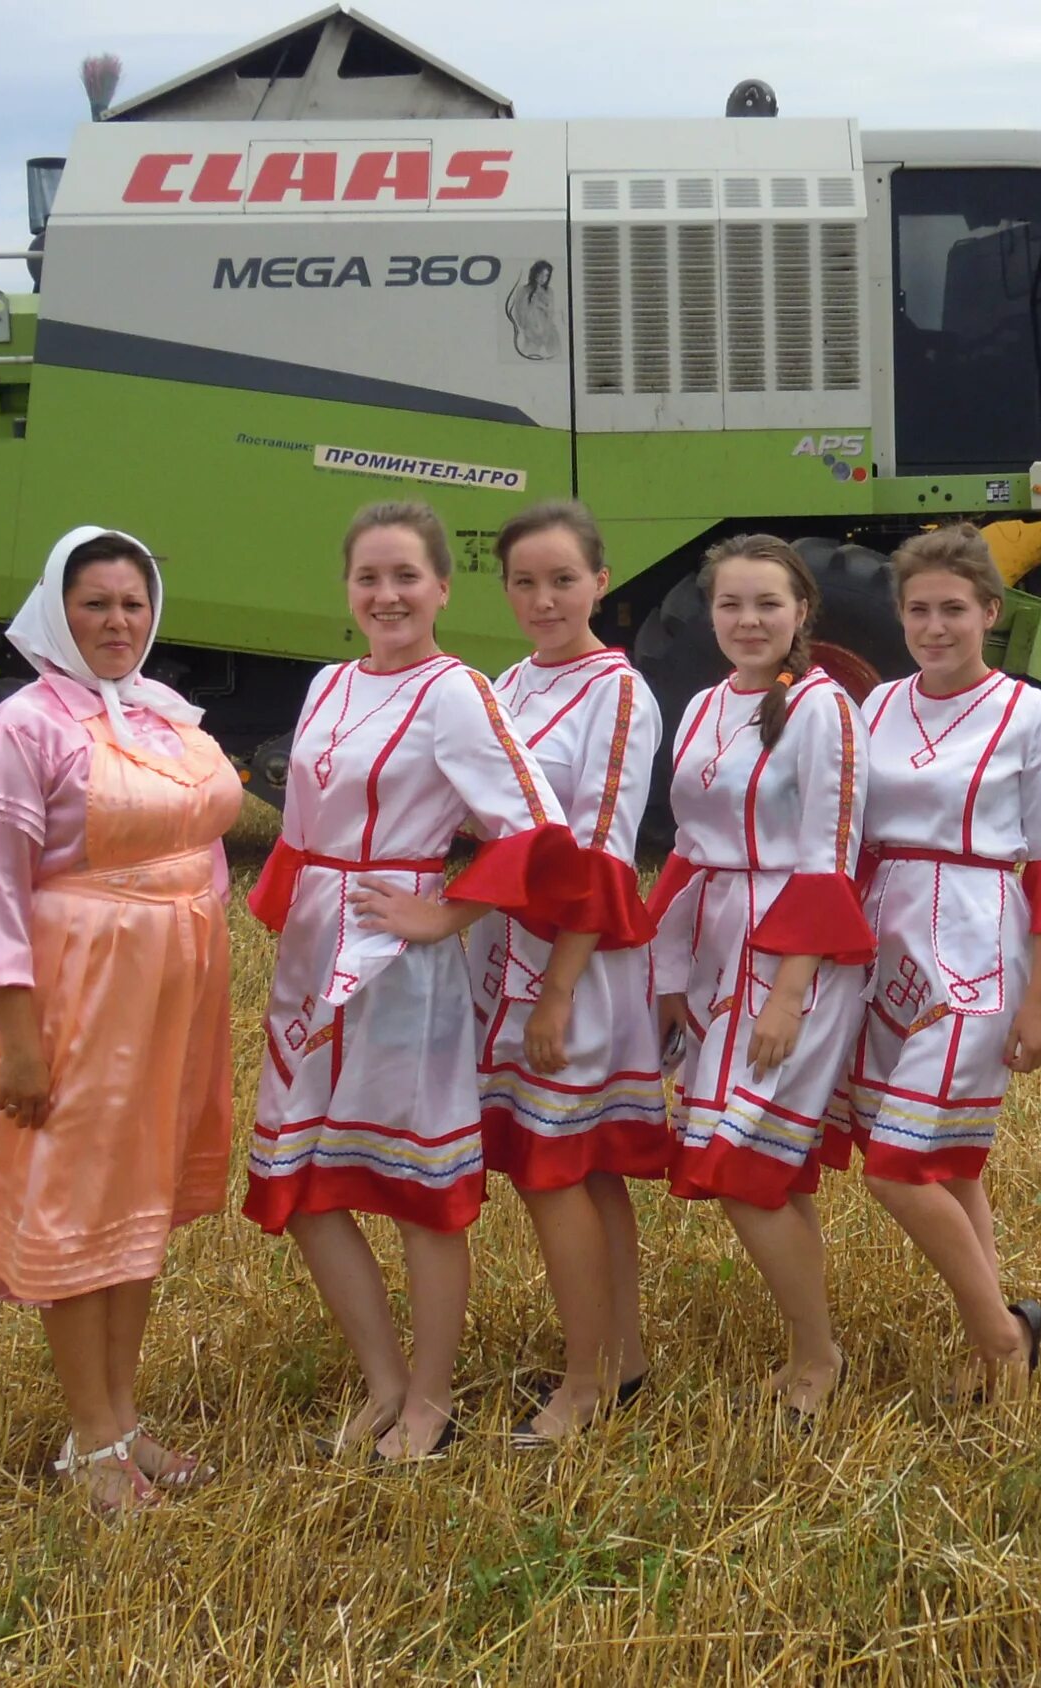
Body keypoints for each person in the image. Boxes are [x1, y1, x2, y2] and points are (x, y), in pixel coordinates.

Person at [245, 500, 585, 1462]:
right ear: (347, 590)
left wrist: (445, 911)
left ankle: (432, 1405)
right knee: (305, 1181)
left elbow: (534, 829)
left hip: (402, 969)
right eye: (368, 578)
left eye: (406, 577)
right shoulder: (325, 686)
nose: (387, 595)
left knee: (416, 1187)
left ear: (441, 588)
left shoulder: (458, 693)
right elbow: (304, 828)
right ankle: (384, 1385)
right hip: (315, 964)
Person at [0, 526, 244, 1519]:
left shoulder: (164, 718)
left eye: (133, 603)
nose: (117, 621)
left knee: (135, 1202)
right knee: (75, 1203)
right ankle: (94, 1438)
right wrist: (20, 1039)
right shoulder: (21, 729)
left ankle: (118, 1414)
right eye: (96, 602)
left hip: (171, 996)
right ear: (55, 610)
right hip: (79, 997)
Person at [835, 525, 1041, 1402]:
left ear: (990, 611)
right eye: (919, 610)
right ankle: (998, 1339)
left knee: (897, 1167)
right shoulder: (877, 707)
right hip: (887, 945)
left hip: (979, 946)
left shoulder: (1034, 717)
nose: (935, 626)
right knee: (946, 1163)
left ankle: (1002, 1339)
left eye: (954, 608)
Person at [648, 534, 874, 1422]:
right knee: (765, 1169)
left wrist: (787, 993)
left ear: (802, 613)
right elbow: (686, 849)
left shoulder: (825, 709)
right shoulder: (704, 705)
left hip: (794, 961)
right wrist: (668, 970)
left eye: (767, 605)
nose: (748, 621)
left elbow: (831, 859)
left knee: (737, 1163)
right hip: (711, 952)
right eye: (731, 605)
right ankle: (808, 1346)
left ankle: (818, 1359)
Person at [459, 501, 670, 1448]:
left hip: (573, 966)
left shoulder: (619, 692)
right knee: (581, 1172)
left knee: (554, 1170)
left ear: (602, 582)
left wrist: (556, 991)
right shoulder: (509, 681)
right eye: (524, 582)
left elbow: (601, 852)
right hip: (513, 951)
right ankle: (618, 1359)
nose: (543, 599)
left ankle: (582, 1385)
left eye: (563, 581)